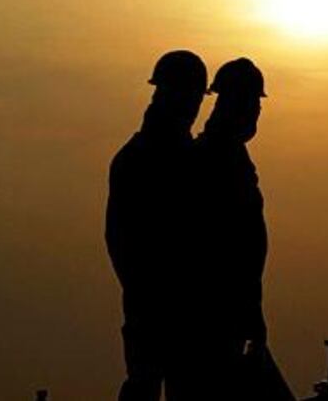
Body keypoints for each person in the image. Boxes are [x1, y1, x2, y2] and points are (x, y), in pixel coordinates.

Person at [105, 50, 208, 401]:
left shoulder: (185, 158)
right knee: (149, 384)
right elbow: (120, 239)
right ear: (167, 95)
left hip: (174, 309)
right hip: (159, 308)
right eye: (190, 96)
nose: (194, 106)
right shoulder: (144, 159)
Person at [194, 58, 292, 399]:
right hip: (216, 318)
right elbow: (230, 247)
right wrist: (248, 311)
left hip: (229, 314)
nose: (255, 113)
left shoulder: (225, 154)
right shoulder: (217, 159)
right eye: (251, 104)